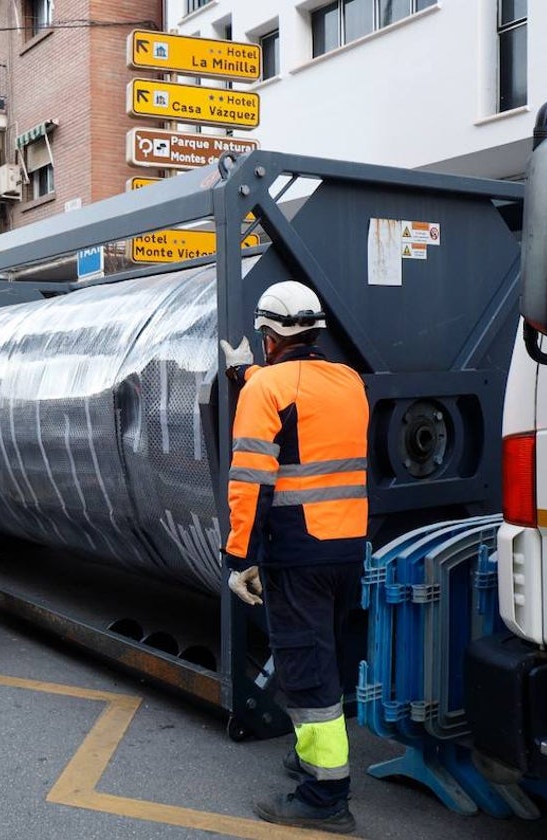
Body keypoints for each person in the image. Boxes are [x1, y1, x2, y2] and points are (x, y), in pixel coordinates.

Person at [218, 280, 368, 834]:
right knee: (329, 657)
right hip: (347, 548)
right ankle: (312, 760)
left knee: (307, 672)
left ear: (269, 334)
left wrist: (240, 559)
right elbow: (300, 403)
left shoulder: (269, 389)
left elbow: (250, 482)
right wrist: (246, 378)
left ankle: (325, 795)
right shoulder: (349, 382)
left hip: (298, 554)